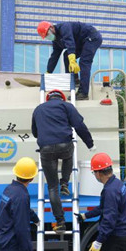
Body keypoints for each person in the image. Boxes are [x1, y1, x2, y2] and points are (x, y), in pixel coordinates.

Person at [31, 89, 95, 234]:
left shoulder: (38, 109)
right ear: (62, 98)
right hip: (64, 145)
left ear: (48, 98)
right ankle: (65, 182)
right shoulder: (67, 107)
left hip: (46, 149)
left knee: (52, 188)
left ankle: (60, 222)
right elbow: (79, 126)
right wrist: (90, 144)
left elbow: (35, 132)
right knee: (68, 155)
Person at [37, 21, 103, 100]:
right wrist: (48, 72)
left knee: (84, 62)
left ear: (51, 27)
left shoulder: (64, 27)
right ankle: (74, 80)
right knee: (66, 55)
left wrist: (72, 60)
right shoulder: (56, 40)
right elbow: (55, 56)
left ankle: (83, 93)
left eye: (48, 34)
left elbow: (70, 42)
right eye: (46, 36)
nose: (48, 37)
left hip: (92, 37)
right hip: (82, 42)